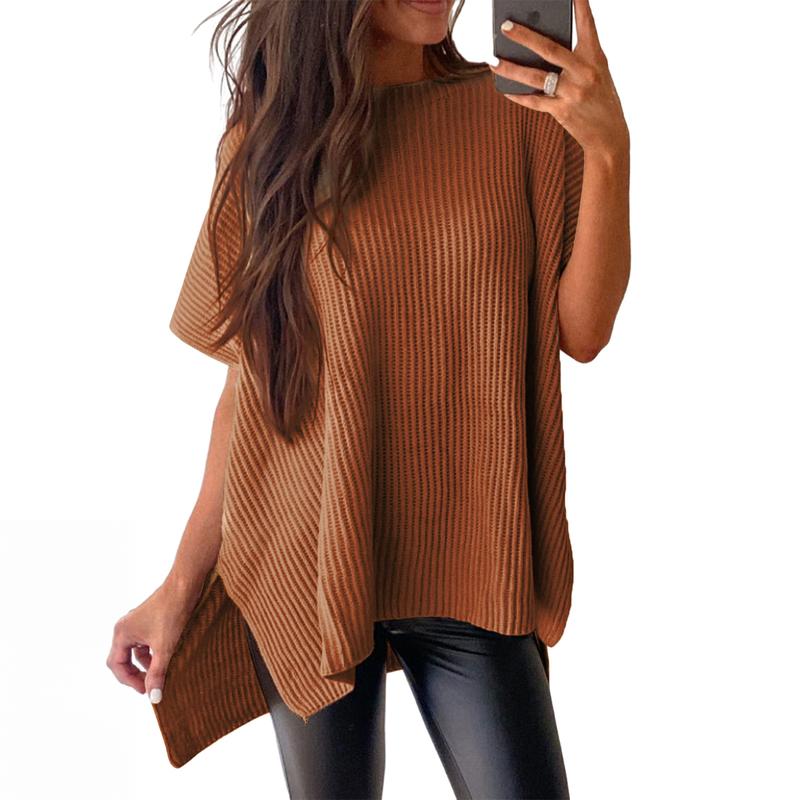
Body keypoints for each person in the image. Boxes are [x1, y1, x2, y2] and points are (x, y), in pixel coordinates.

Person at [107, 0, 629, 797]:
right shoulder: (271, 142)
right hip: (309, 559)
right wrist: (179, 588)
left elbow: (583, 333)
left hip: (472, 557)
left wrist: (608, 149)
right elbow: (253, 388)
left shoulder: (520, 118)